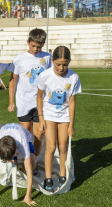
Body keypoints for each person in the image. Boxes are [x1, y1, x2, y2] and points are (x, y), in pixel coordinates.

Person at [35, 46, 81, 192]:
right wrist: (41, 118)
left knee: (62, 146)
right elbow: (39, 97)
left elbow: (72, 102)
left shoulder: (74, 77)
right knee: (50, 147)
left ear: (69, 62)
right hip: (48, 115)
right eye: (58, 64)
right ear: (53, 61)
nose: (61, 68)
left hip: (64, 116)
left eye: (65, 64)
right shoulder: (45, 75)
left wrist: (71, 125)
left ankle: (62, 174)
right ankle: (48, 177)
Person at [8, 28, 51, 158]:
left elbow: (51, 78)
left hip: (41, 103)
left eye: (39, 46)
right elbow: (13, 80)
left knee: (39, 135)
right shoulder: (19, 59)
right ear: (28, 42)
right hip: (23, 102)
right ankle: (25, 158)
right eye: (33, 46)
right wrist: (11, 101)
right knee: (25, 133)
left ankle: (35, 161)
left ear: (43, 45)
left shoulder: (48, 58)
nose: (36, 49)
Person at [0, 123, 37, 205]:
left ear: (16, 148)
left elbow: (29, 169)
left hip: (24, 135)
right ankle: (16, 166)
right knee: (14, 165)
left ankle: (22, 172)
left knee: (32, 163)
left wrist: (28, 196)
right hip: (9, 136)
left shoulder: (22, 141)